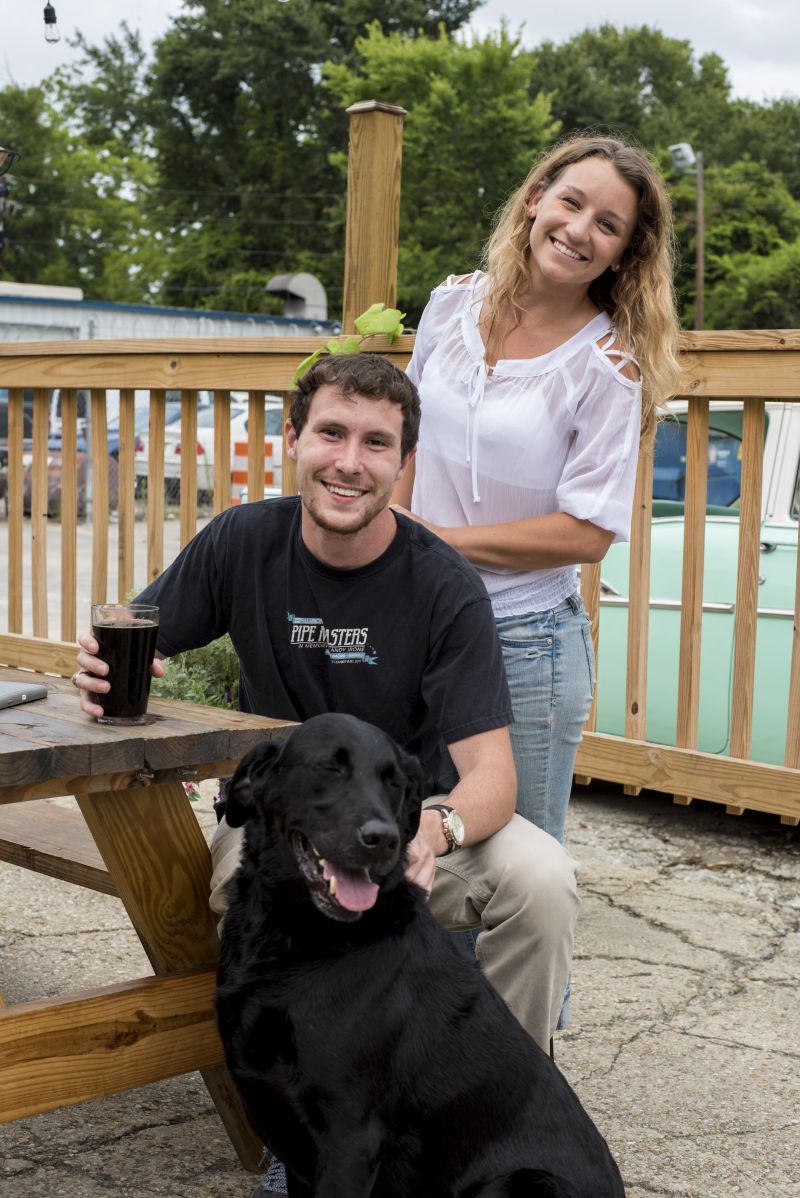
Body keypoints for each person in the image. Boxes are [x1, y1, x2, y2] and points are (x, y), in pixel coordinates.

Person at [74, 353, 579, 1196]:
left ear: (403, 463)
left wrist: (436, 827)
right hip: (290, 824)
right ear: (294, 440)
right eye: (332, 433)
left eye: (376, 443)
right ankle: (302, 1129)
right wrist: (102, 666)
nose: (350, 461)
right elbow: (138, 635)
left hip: (403, 827)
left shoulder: (443, 584)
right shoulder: (244, 540)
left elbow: (493, 772)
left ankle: (483, 1113)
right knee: (235, 873)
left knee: (544, 879)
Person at [393, 133, 682, 849]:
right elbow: (406, 429)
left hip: (522, 642)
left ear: (624, 252)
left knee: (513, 871)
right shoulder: (449, 304)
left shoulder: (607, 365)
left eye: (608, 225)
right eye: (571, 202)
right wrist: (392, 532)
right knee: (413, 851)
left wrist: (431, 546)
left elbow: (587, 534)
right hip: (416, 621)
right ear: (534, 201)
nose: (580, 230)